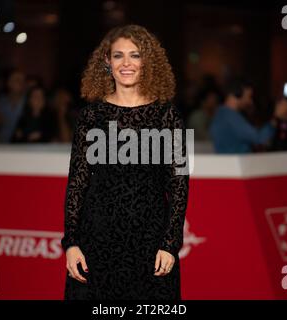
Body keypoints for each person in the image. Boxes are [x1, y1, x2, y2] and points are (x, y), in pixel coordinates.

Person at [61, 24, 190, 300]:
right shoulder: (90, 116)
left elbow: (180, 186)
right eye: (118, 56)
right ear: (107, 61)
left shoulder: (169, 116)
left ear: (147, 61)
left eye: (135, 55)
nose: (127, 63)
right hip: (95, 243)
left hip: (151, 246)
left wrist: (170, 244)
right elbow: (77, 183)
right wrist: (71, 242)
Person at [209, 78, 287, 154]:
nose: (250, 101)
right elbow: (259, 138)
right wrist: (276, 117)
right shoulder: (230, 116)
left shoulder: (221, 113)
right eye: (249, 96)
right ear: (237, 94)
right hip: (237, 165)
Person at [0, 69, 27, 143]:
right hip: (2, 144)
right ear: (8, 83)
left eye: (22, 80)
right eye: (17, 80)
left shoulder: (29, 102)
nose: (20, 83)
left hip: (22, 147)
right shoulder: (1, 102)